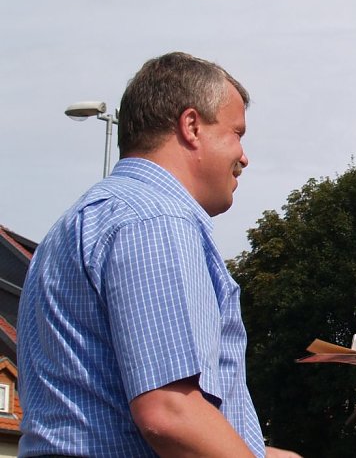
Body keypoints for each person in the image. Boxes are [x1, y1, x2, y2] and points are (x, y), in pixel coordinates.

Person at [18, 52, 301, 458]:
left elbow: (107, 419)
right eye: (237, 133)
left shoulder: (82, 220)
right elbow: (169, 414)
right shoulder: (156, 218)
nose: (244, 156)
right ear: (191, 126)